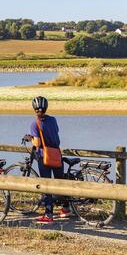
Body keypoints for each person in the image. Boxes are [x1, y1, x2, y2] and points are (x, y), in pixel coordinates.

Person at [27, 96, 72, 224]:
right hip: (57, 154)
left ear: (34, 109)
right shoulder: (53, 120)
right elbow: (55, 133)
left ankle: (49, 215)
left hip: (44, 156)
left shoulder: (34, 124)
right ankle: (66, 208)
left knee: (46, 185)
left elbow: (37, 142)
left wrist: (30, 138)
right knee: (60, 183)